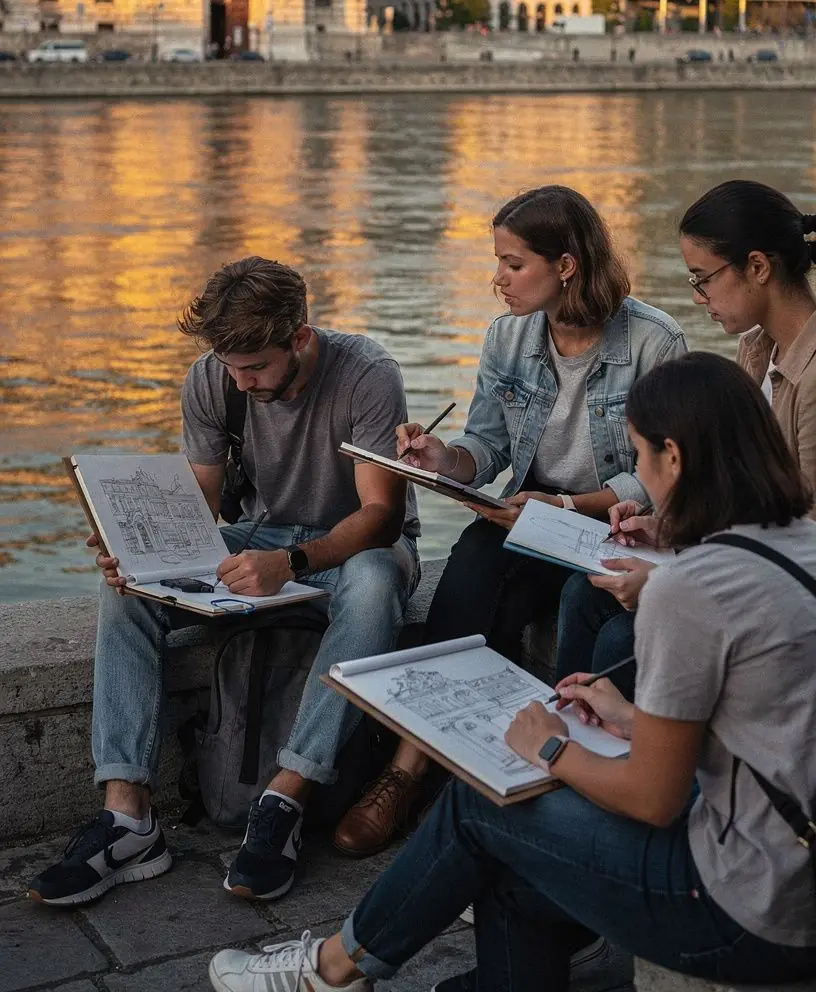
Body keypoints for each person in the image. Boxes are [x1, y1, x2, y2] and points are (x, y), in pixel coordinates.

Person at [208, 352, 816, 992]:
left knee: (482, 803)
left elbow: (652, 797)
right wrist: (631, 718)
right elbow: (769, 719)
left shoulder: (688, 591)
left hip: (752, 910)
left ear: (675, 458)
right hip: (791, 859)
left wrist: (549, 747)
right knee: (511, 870)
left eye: (638, 456)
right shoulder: (798, 539)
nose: (637, 474)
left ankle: (329, 972)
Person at [29, 257, 420, 907]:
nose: (240, 381)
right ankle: (129, 817)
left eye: (256, 368)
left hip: (353, 545)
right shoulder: (214, 376)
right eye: (231, 367)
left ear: (299, 337)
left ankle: (283, 800)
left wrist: (293, 562)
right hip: (260, 537)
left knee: (377, 584)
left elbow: (380, 517)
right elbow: (199, 508)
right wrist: (140, 546)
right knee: (127, 586)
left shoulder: (368, 375)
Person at [333, 185, 685, 857]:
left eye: (513, 263)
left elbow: (660, 471)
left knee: (582, 601)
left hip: (614, 521)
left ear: (567, 265)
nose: (498, 280)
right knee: (469, 579)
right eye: (497, 261)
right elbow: (487, 445)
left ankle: (552, 782)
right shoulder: (508, 335)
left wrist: (572, 507)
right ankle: (408, 772)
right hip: (526, 512)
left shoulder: (653, 340)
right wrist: (446, 458)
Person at [560, 178, 816, 689]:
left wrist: (675, 578)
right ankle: (568, 734)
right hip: (741, 558)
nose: (698, 298)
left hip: (782, 591)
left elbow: (804, 534)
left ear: (758, 268)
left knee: (618, 640)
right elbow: (747, 494)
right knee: (581, 591)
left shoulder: (812, 378)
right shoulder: (756, 350)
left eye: (703, 279)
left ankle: (614, 752)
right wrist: (674, 530)